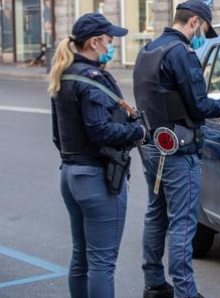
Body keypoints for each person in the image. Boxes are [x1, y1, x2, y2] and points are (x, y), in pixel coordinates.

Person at [132, 1, 220, 298]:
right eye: (204, 28)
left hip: (153, 146)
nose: (202, 35)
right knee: (182, 223)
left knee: (156, 215)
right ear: (194, 22)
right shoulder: (181, 53)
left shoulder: (149, 50)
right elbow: (200, 105)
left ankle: (153, 283)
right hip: (179, 151)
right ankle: (186, 292)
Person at [48, 13, 145, 298]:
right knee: (102, 264)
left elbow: (57, 134)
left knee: (81, 257)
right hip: (96, 179)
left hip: (70, 174)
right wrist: (137, 132)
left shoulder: (64, 73)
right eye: (109, 40)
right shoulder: (91, 79)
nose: (112, 44)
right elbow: (100, 131)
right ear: (94, 42)